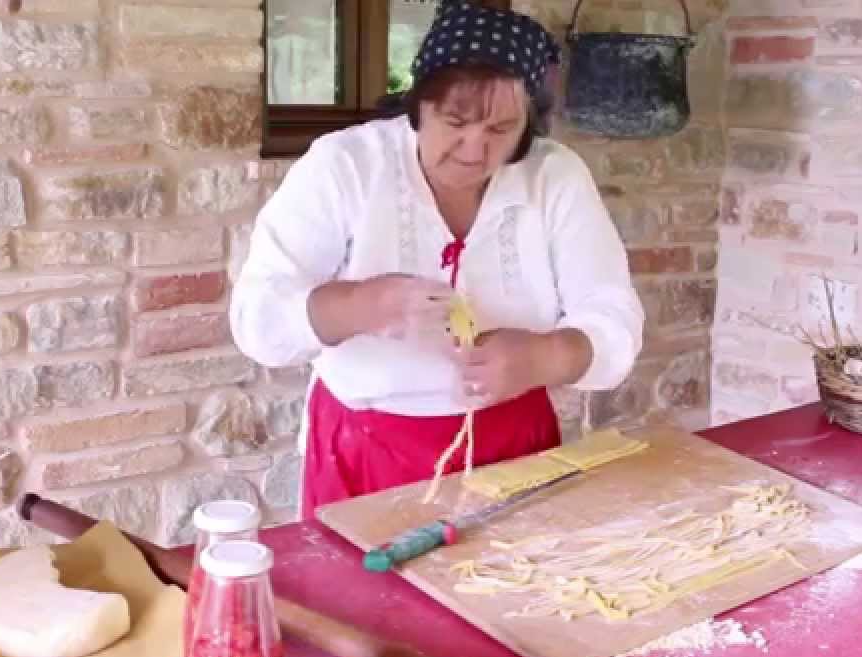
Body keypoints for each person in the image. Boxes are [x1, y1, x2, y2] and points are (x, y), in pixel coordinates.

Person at [230, 1, 645, 520]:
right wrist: (360, 304)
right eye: (455, 122)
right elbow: (257, 319)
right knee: (363, 601)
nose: (474, 149)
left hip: (514, 452)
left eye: (501, 129)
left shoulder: (555, 178)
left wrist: (545, 358)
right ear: (417, 106)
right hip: (367, 450)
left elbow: (614, 317)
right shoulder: (345, 166)